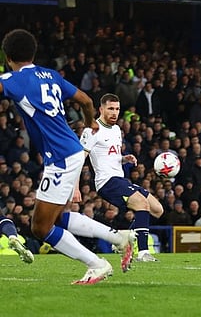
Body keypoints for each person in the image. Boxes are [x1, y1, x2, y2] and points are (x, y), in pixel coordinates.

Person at [0, 29, 135, 284]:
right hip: (68, 150)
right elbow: (85, 100)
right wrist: (89, 123)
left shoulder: (14, 79)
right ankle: (118, 237)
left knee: (40, 227)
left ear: (8, 57)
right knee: (56, 217)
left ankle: (96, 263)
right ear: (33, 53)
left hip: (61, 156)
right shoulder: (50, 75)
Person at [80, 93, 164, 262]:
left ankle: (122, 237)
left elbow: (111, 155)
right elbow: (80, 159)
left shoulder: (117, 130)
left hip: (120, 179)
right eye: (110, 108)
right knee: (142, 204)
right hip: (107, 182)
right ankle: (143, 252)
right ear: (101, 109)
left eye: (117, 109)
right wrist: (75, 188)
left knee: (157, 210)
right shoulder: (92, 130)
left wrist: (125, 158)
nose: (114, 113)